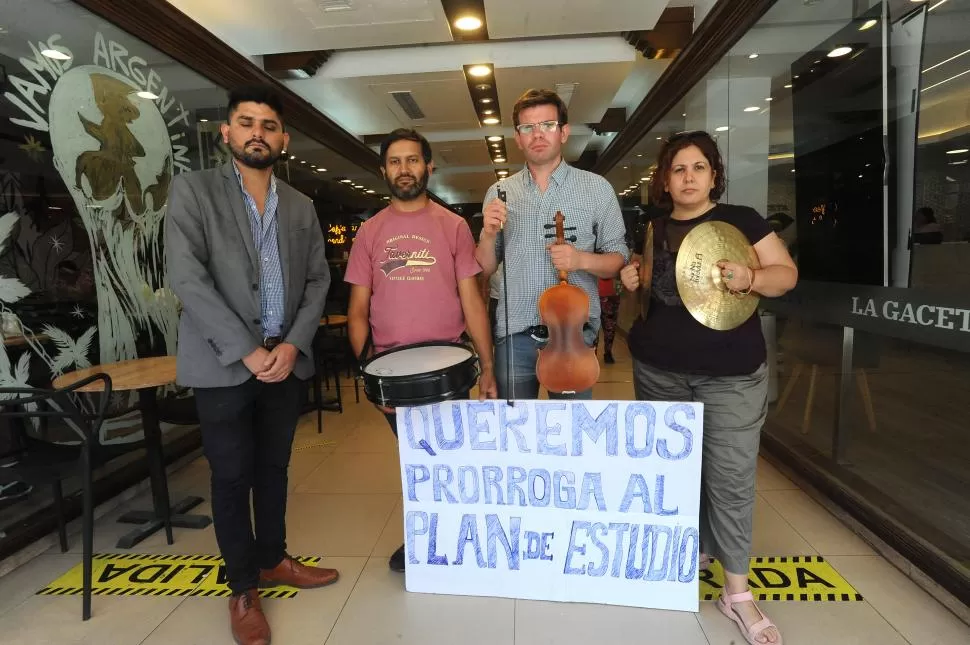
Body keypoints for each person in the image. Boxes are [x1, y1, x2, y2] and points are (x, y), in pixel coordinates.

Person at [166, 85, 338, 645]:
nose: (257, 132)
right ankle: (242, 586)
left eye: (268, 124)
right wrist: (247, 348)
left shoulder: (300, 205)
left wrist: (292, 345)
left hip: (285, 361)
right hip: (223, 365)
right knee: (231, 476)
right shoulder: (193, 193)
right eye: (247, 122)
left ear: (283, 138)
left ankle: (273, 558)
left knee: (274, 469)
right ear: (227, 132)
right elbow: (188, 278)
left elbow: (318, 279)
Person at [619, 130, 797, 645]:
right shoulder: (652, 228)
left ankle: (736, 593)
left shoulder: (741, 220)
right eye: (678, 169)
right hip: (657, 369)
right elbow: (649, 294)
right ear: (665, 180)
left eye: (698, 167)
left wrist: (751, 276)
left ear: (714, 174)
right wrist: (633, 277)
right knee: (673, 472)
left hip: (731, 374)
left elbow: (786, 275)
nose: (689, 177)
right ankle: (685, 553)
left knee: (730, 476)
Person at [345, 128, 497, 572]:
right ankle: (429, 539)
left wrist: (486, 366)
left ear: (429, 167)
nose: (404, 169)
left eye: (413, 160)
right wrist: (368, 373)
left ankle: (454, 539)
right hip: (392, 373)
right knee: (414, 462)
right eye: (395, 161)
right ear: (383, 170)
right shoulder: (369, 233)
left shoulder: (452, 226)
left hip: (448, 368)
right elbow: (357, 310)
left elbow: (472, 300)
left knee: (451, 460)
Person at [475, 88, 629, 399]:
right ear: (518, 138)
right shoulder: (500, 191)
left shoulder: (596, 188)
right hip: (514, 334)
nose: (537, 134)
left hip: (573, 335)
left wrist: (580, 260)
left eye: (547, 124)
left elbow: (618, 259)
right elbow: (485, 267)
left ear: (564, 132)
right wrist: (487, 235)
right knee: (517, 436)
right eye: (527, 127)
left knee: (570, 435)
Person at [596, 276, 620, 364]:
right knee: (593, 325)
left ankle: (608, 352)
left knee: (610, 327)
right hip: (593, 294)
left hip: (611, 296)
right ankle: (593, 352)